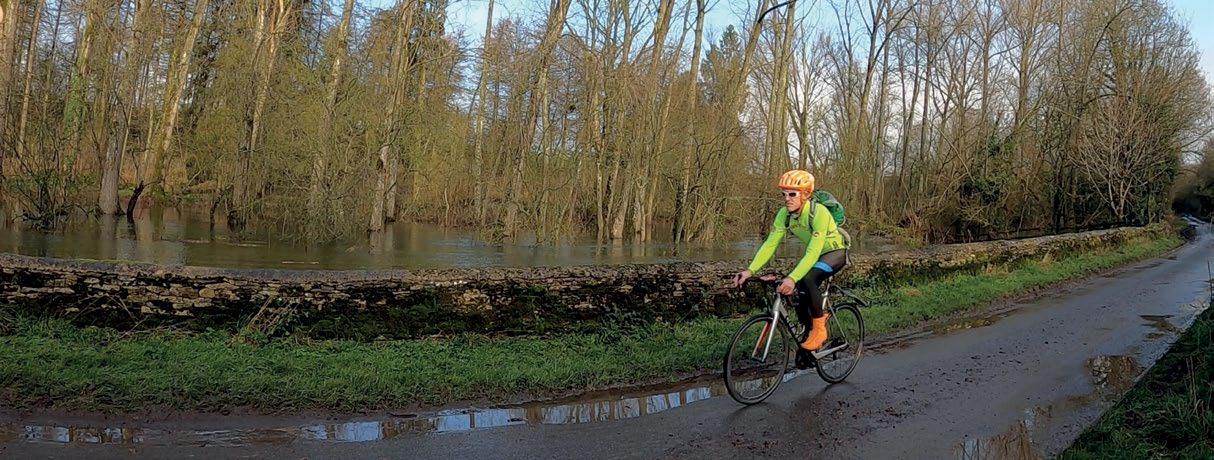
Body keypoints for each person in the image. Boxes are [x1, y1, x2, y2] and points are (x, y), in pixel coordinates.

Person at [732, 170, 848, 351]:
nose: (787, 199)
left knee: (807, 279)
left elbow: (812, 252)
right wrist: (750, 270)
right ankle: (808, 331)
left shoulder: (819, 213)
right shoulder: (784, 214)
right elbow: (770, 244)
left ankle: (819, 329)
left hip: (834, 253)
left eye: (792, 194)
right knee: (799, 290)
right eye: (784, 194)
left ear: (806, 194)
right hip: (817, 255)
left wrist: (792, 278)